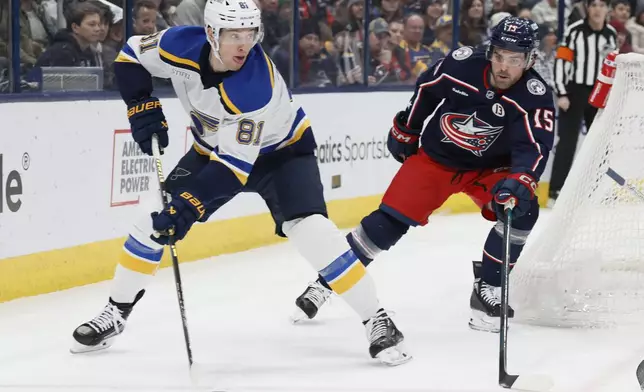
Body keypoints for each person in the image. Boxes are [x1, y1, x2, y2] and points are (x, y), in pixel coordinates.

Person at [69, 0, 410, 366]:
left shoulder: (254, 87)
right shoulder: (178, 44)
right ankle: (116, 312)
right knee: (151, 218)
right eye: (234, 35)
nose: (244, 45)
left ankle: (378, 319)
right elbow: (131, 55)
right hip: (210, 150)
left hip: (283, 154)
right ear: (212, 33)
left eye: (250, 34)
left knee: (312, 232)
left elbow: (233, 170)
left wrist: (186, 208)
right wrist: (140, 103)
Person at [292, 17, 555, 333]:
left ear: (530, 60)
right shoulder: (463, 65)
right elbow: (427, 89)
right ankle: (326, 283)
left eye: (514, 60)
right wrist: (408, 127)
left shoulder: (535, 94)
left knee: (522, 210)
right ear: (490, 51)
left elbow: (535, 145)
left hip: (490, 169)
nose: (503, 67)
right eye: (499, 55)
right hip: (436, 160)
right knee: (385, 225)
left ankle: (489, 287)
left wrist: (521, 180)